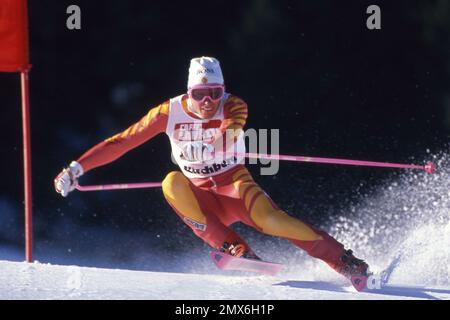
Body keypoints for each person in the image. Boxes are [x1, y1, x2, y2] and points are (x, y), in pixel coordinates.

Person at [54, 56, 369, 281]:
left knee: (275, 221)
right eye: (200, 94)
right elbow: (121, 142)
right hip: (199, 194)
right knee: (170, 182)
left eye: (214, 93)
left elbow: (232, 130)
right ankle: (234, 247)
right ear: (189, 92)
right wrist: (75, 169)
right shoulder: (167, 112)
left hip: (234, 185)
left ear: (223, 90)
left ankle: (344, 261)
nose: (207, 102)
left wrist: (211, 145)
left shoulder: (234, 104)